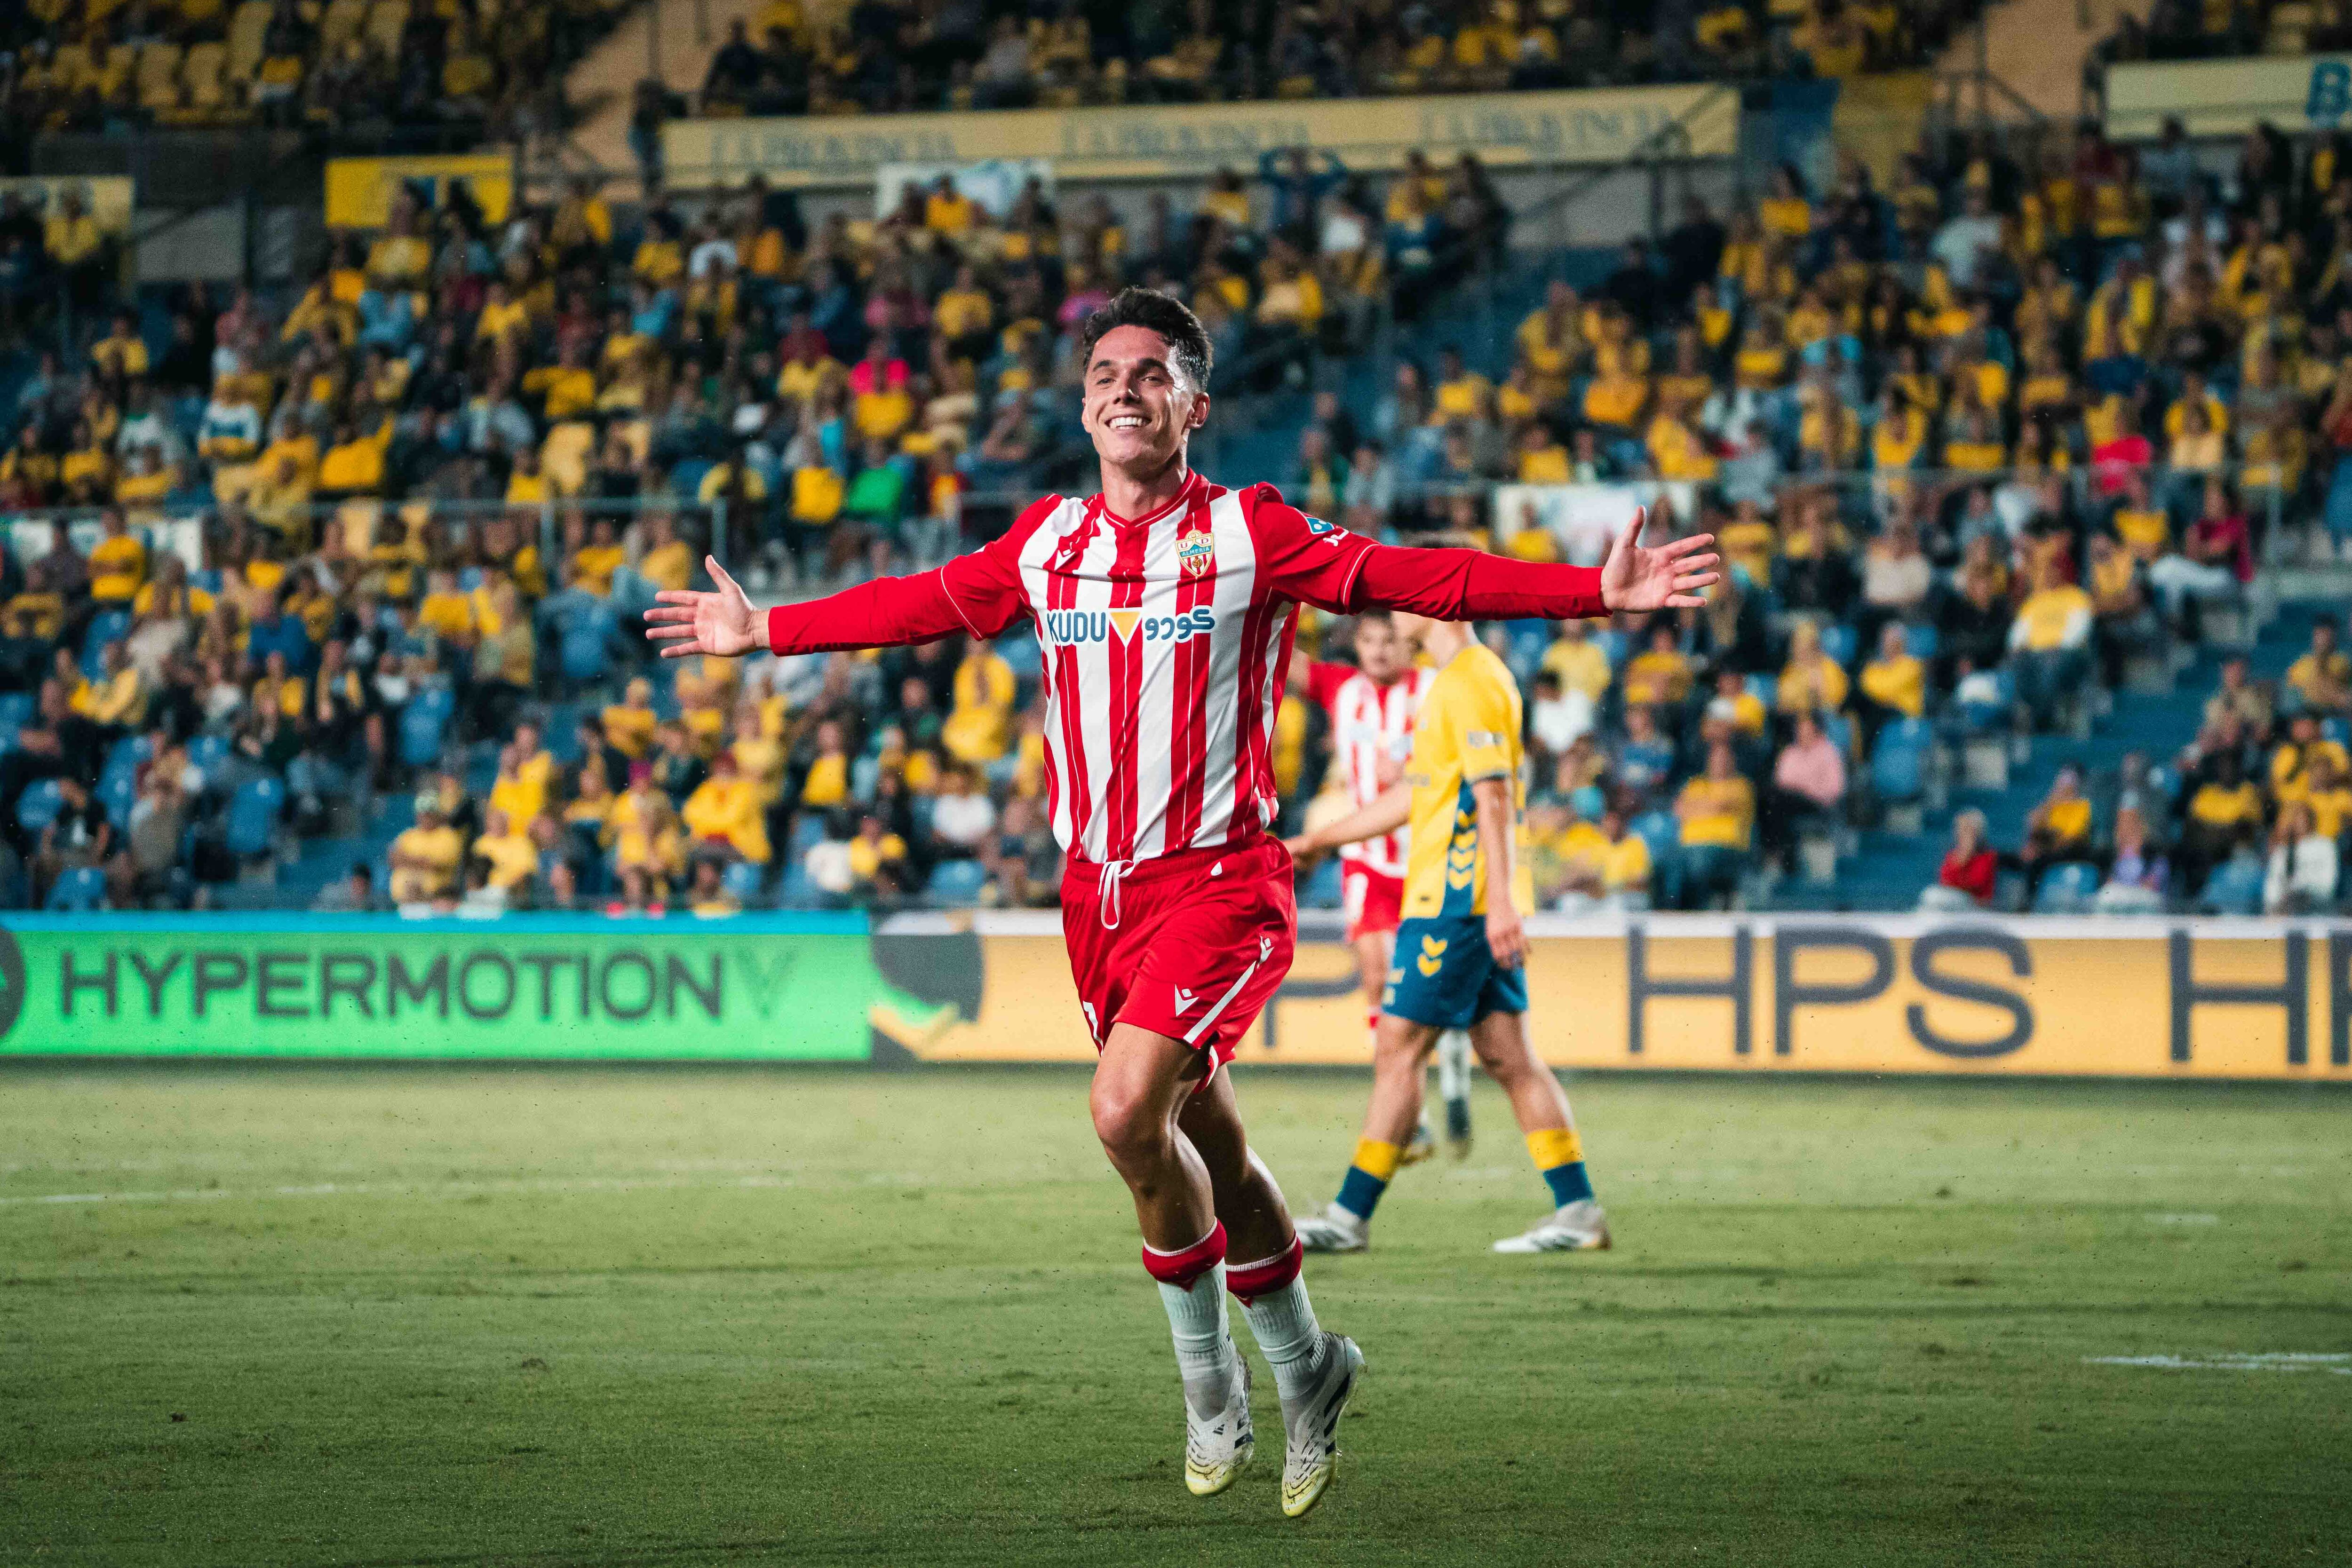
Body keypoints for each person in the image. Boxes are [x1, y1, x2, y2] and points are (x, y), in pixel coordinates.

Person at [645, 287, 1718, 1518]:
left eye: (1152, 372)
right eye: (1105, 372)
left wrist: (1592, 592)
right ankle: (1311, 1364)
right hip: (1094, 898)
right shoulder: (1047, 542)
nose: (1124, 388)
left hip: (1219, 881)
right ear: (1082, 405)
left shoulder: (1253, 532)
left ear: (1193, 407)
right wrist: (765, 628)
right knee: (1212, 1143)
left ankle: (1212, 1387)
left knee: (1121, 1111)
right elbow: (918, 601)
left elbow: (1416, 573)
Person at [1284, 607, 1615, 1260]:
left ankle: (1349, 1215)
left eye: (1401, 595)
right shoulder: (1453, 680)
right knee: (1509, 1056)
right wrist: (1321, 838)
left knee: (1398, 1047)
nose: (1391, 608)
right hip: (1461, 897)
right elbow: (1418, 793)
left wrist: (1500, 904)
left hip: (1457, 900)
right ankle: (1579, 1210)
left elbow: (1494, 796)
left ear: (1428, 604)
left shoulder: (1468, 681)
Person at [1296, 608, 1474, 1160]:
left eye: (1388, 640)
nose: (1377, 650)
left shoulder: (1434, 691)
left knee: (1428, 990)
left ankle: (1453, 1071)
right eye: (1368, 640)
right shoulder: (1340, 689)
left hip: (1429, 860)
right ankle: (1411, 1118)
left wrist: (1415, 772)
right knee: (1377, 979)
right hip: (1367, 860)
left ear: (1410, 645)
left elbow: (1463, 765)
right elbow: (1277, 657)